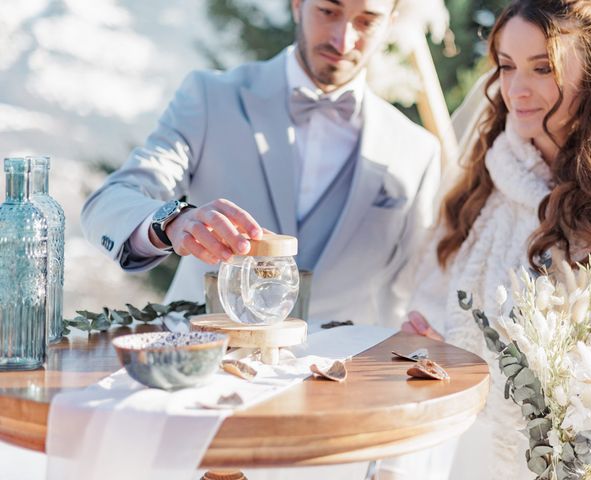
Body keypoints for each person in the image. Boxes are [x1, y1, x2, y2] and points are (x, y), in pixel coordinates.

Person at [81, 0, 440, 330]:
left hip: (340, 381)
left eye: (366, 22)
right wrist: (173, 222)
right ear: (298, 4)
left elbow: (410, 291)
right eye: (328, 11)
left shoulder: (417, 150)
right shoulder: (210, 96)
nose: (343, 40)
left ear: (390, 24)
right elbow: (110, 201)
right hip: (198, 362)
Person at [400, 0, 591, 478]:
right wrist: (432, 343)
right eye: (507, 67)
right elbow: (434, 303)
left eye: (542, 68)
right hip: (473, 453)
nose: (516, 89)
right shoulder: (486, 181)